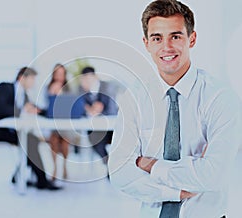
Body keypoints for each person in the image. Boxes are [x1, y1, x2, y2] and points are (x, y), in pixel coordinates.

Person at [108, 0, 242, 218]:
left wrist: (150, 165)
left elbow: (214, 175)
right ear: (146, 43)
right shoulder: (134, 98)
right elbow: (120, 173)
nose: (167, 47)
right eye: (157, 38)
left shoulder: (220, 98)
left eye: (176, 36)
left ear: (192, 39)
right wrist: (178, 191)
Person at [0, 67, 61, 190]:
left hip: (9, 131)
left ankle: (24, 177)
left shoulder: (24, 95)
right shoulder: (4, 87)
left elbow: (35, 108)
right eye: (32, 79)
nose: (33, 83)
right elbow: (1, 108)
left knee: (31, 140)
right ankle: (39, 180)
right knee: (30, 141)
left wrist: (45, 110)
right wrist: (23, 109)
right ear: (22, 78)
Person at [80, 66, 118, 165]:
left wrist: (93, 110)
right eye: (85, 79)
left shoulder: (106, 86)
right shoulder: (83, 89)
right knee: (94, 139)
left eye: (89, 78)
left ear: (95, 77)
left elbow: (102, 107)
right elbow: (82, 107)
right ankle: (109, 164)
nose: (88, 81)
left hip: (110, 126)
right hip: (95, 128)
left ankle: (111, 165)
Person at [46, 63, 73, 181]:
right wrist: (52, 93)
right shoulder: (48, 88)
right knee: (54, 140)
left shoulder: (69, 88)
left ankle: (65, 167)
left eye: (62, 74)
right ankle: (55, 168)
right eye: (57, 74)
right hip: (53, 124)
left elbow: (71, 106)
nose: (59, 76)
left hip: (66, 125)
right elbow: (45, 106)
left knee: (65, 142)